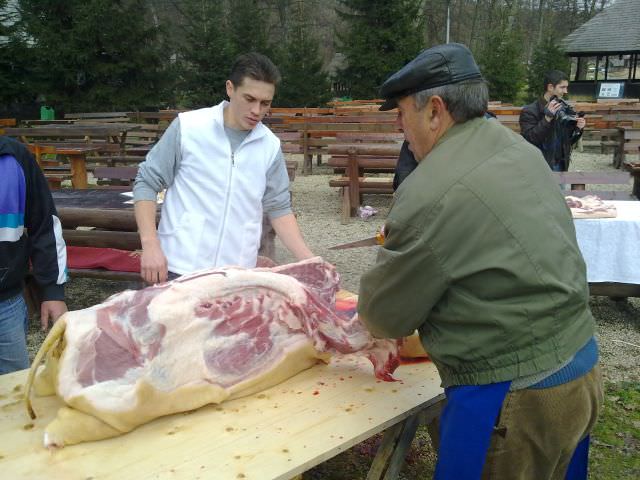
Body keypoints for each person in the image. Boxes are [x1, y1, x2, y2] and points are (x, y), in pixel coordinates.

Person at [358, 43, 602, 479]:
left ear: (435, 111)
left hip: (514, 394)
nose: (400, 127)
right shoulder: (517, 148)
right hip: (580, 367)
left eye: (401, 114)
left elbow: (384, 314)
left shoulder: (430, 190)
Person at [134, 52, 314, 283]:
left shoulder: (269, 146)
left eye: (265, 103)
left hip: (237, 273)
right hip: (180, 266)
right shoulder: (189, 128)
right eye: (249, 99)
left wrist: (310, 261)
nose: (257, 111)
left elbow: (279, 208)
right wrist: (150, 245)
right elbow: (147, 182)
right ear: (230, 88)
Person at [0, 136, 68, 374]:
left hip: (5, 306)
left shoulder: (15, 156)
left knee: (13, 392)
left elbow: (45, 226)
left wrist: (52, 291)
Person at [519, 70, 586, 172]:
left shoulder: (563, 109)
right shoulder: (529, 111)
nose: (566, 91)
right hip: (537, 167)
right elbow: (530, 139)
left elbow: (568, 141)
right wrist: (547, 118)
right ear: (550, 87)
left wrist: (578, 129)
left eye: (566, 87)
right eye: (562, 87)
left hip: (561, 165)